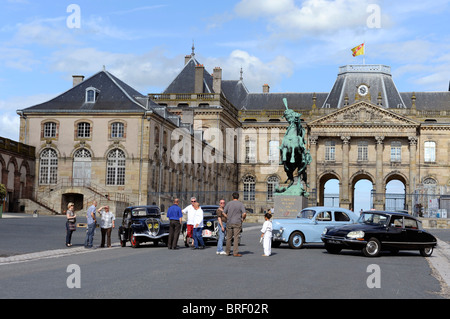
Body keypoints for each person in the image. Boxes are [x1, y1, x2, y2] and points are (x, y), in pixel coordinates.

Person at [224, 192, 247, 257]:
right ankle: (235, 252)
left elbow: (223, 212)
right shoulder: (240, 204)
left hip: (229, 222)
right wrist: (243, 219)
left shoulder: (229, 203)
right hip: (237, 222)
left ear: (232, 197)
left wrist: (227, 217)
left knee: (229, 237)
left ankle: (227, 251)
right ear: (238, 197)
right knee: (236, 237)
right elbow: (244, 213)